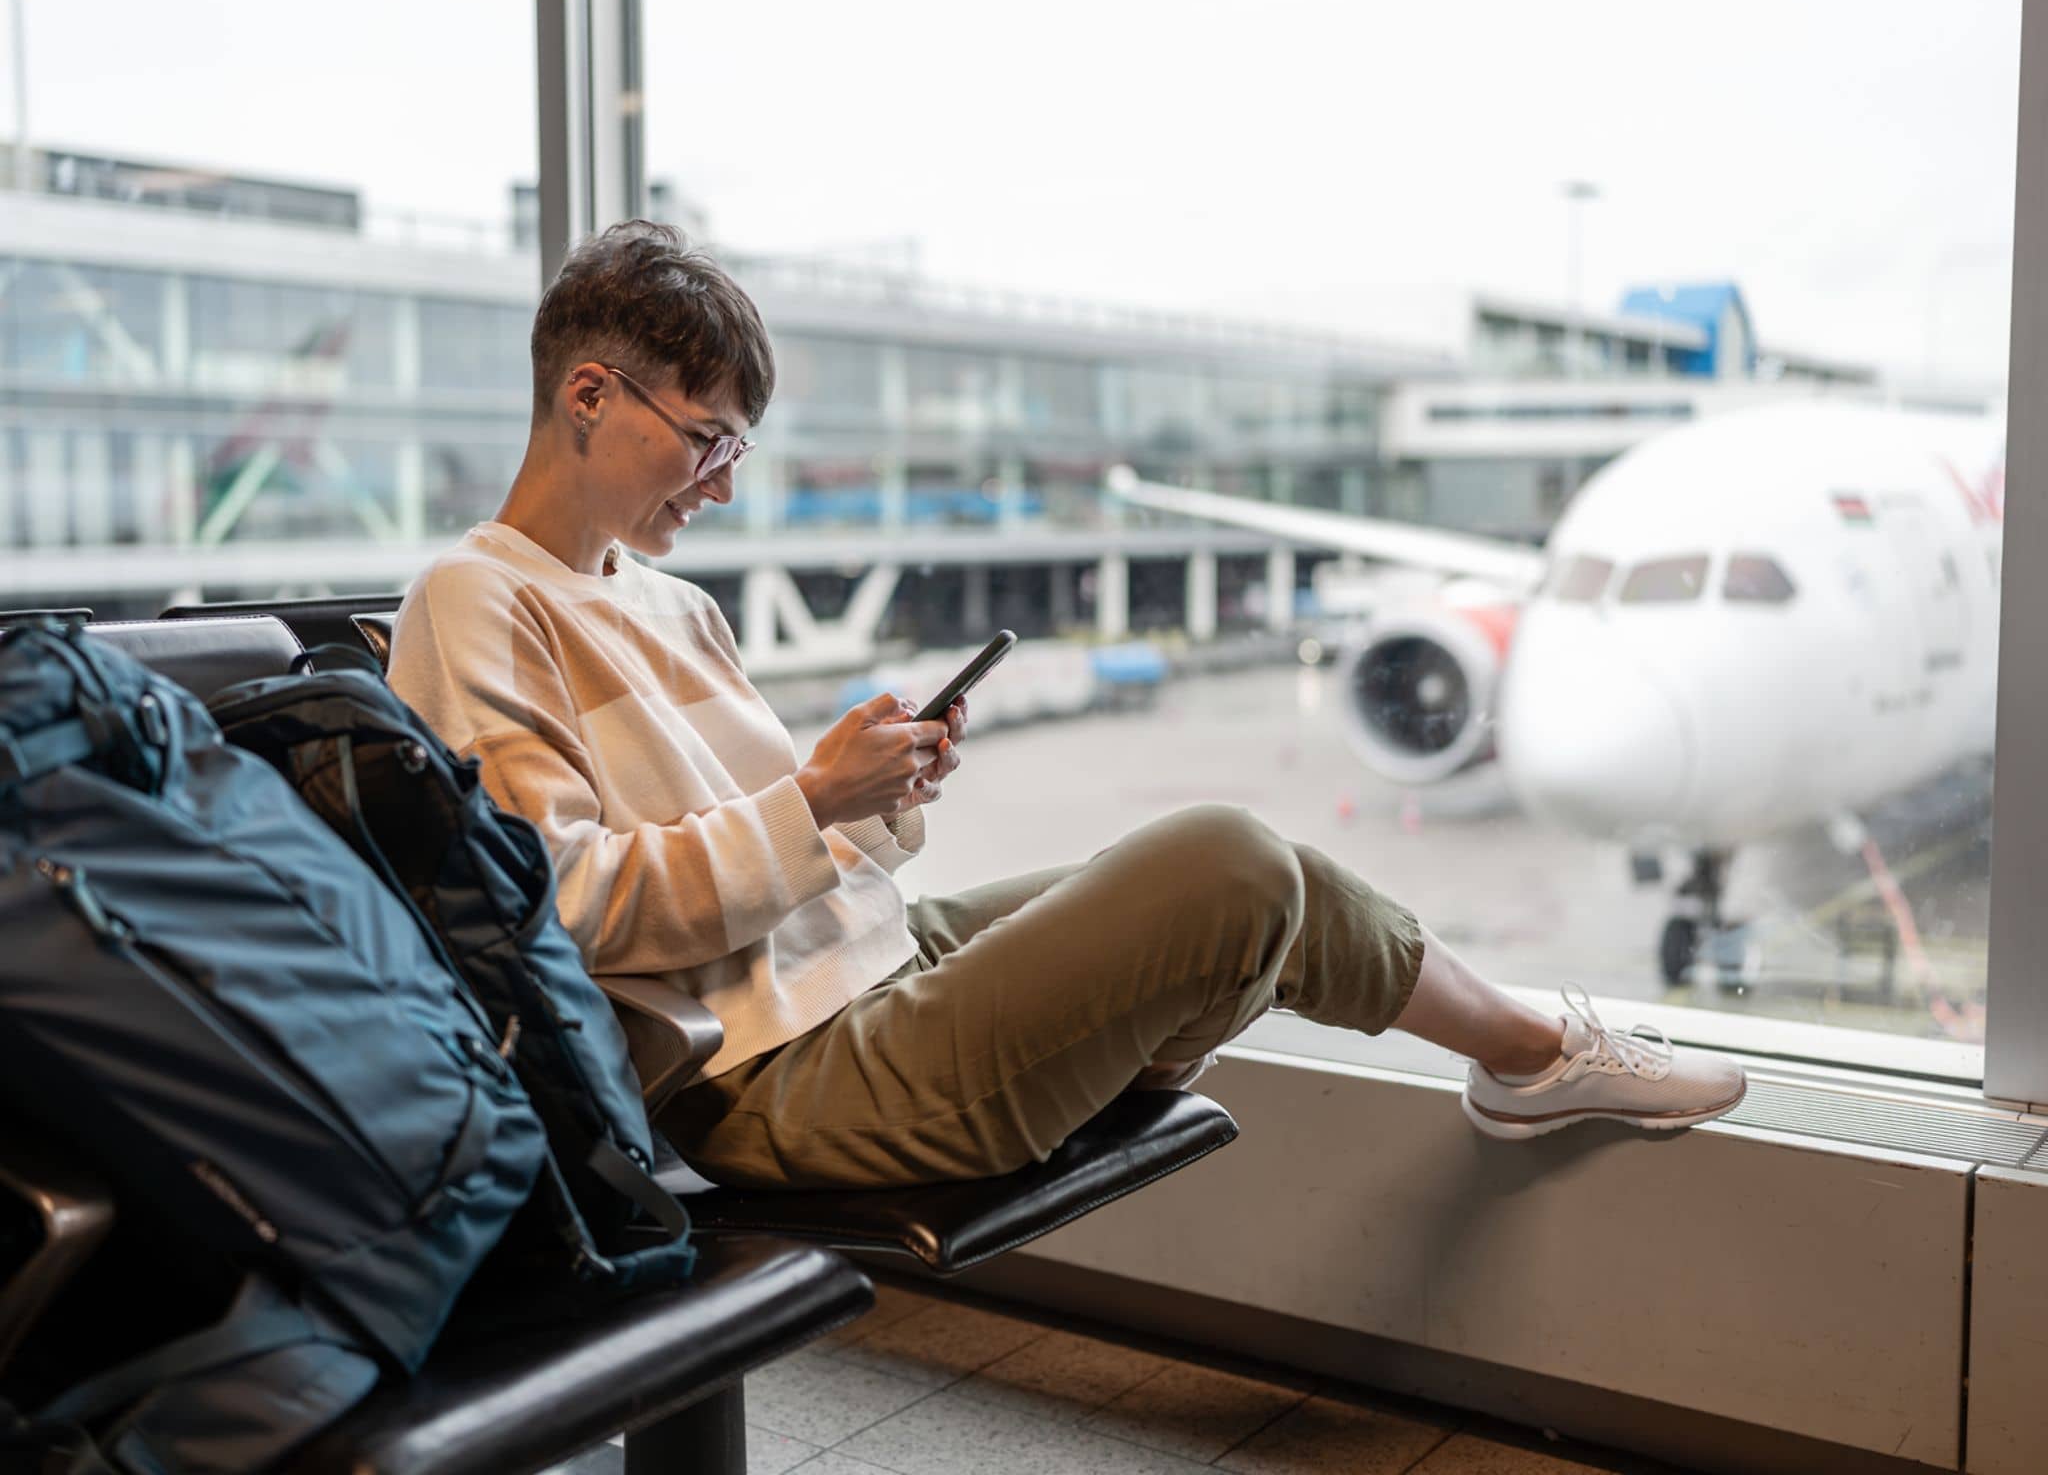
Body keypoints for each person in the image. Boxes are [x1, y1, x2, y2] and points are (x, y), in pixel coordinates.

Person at [387, 221, 1747, 1190]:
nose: (723, 483)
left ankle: (1533, 1058)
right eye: (706, 440)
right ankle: (1527, 1054)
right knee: (1227, 867)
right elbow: (557, 915)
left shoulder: (669, 601)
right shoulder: (472, 604)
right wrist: (813, 802)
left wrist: (878, 802)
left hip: (867, 969)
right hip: (765, 1070)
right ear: (587, 394)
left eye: (735, 447)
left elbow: (776, 854)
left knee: (1268, 872)